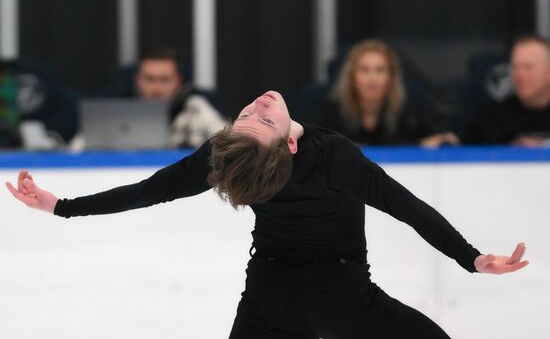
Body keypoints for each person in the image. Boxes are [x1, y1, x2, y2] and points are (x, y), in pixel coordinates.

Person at [6, 90, 528, 338]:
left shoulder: (229, 154)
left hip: (271, 292)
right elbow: (407, 208)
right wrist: (471, 259)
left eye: (250, 115)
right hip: (339, 296)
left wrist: (61, 208)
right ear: (289, 147)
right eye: (258, 116)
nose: (257, 105)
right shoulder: (333, 157)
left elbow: (152, 190)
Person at [70, 45, 227, 150]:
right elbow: (74, 151)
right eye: (150, 79)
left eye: (164, 79)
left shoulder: (196, 107)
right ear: (138, 80)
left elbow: (229, 145)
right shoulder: (115, 109)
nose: (156, 88)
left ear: (178, 81)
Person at [318, 39, 459, 147]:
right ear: (352, 77)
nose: (372, 78)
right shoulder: (332, 110)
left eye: (380, 70)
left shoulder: (411, 108)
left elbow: (447, 139)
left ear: (391, 77)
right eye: (364, 70)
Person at [467, 35, 550, 146]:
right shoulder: (490, 119)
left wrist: (543, 147)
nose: (519, 75)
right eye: (515, 67)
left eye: (528, 67)